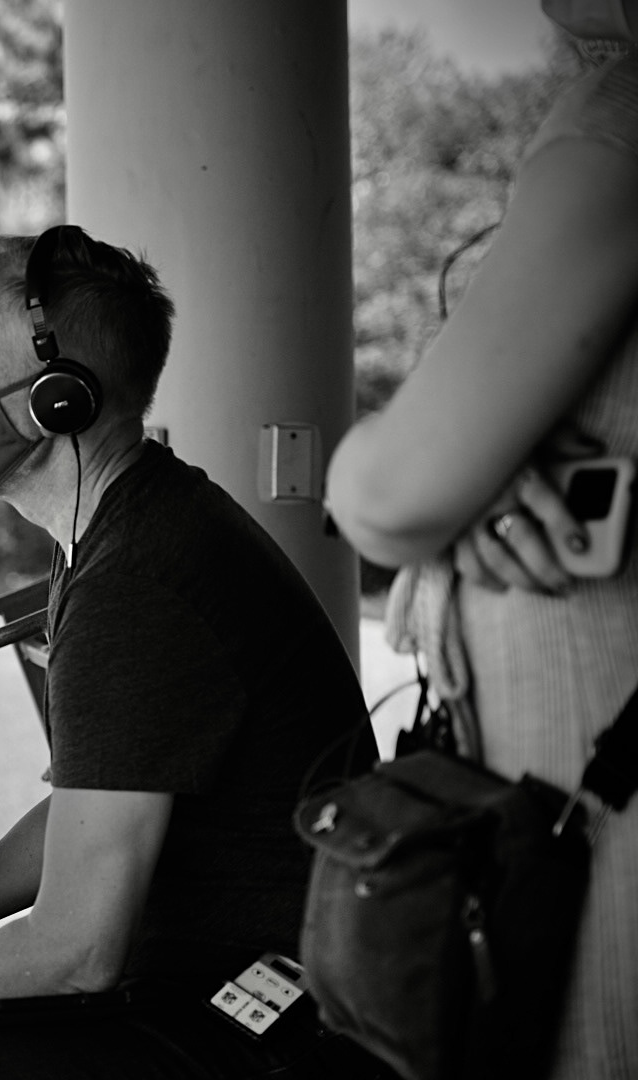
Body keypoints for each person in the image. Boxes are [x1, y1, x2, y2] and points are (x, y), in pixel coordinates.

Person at [0, 226, 380, 1080]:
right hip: (191, 983)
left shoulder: (139, 579)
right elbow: (93, 812)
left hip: (264, 1026)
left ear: (55, 401)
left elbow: (77, 949)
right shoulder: (115, 529)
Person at [325, 3, 638, 1076]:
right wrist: (487, 464)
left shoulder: (617, 121)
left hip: (592, 807)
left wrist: (418, 476)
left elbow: (389, 495)